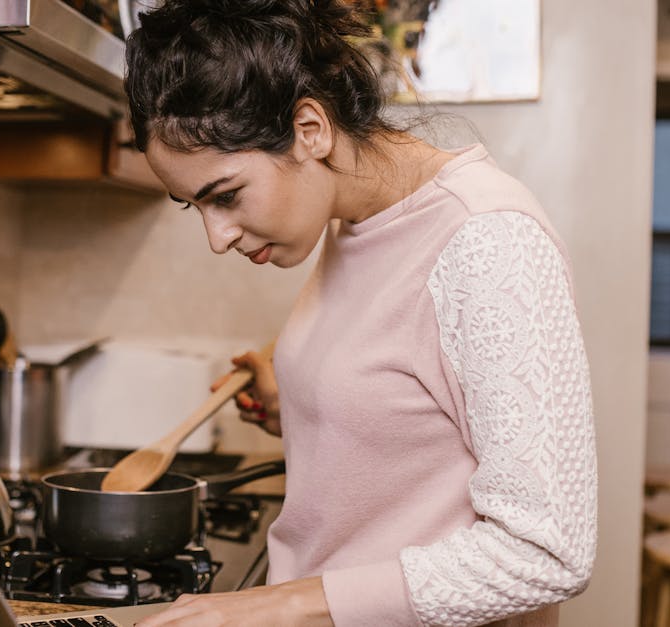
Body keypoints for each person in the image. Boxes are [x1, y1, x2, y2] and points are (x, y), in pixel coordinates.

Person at [123, 1, 598, 626]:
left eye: (227, 194)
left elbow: (547, 551)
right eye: (195, 206)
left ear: (310, 129)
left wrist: (275, 604)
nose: (218, 238)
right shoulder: (354, 221)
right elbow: (418, 426)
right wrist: (299, 403)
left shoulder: (488, 239)